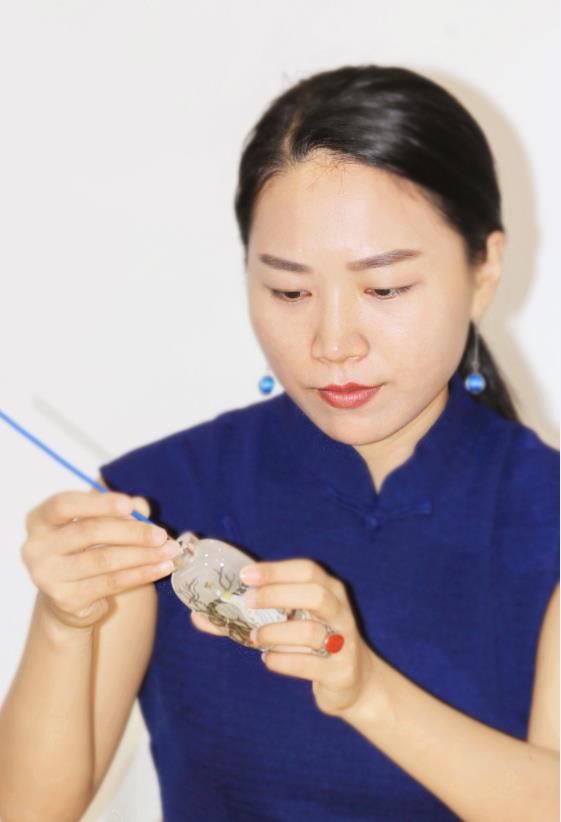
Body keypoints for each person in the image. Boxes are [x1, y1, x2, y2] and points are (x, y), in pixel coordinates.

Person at [1, 64, 558, 822]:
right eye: (289, 291)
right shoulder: (157, 502)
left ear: (484, 268)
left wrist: (364, 691)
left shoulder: (545, 518)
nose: (333, 342)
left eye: (384, 288)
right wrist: (63, 623)